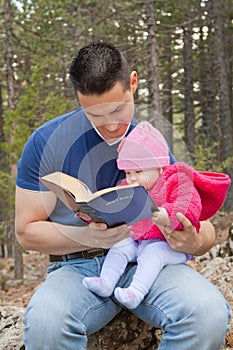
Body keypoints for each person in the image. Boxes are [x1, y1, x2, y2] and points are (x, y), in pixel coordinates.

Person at [15, 41, 231, 350]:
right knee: (47, 325)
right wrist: (90, 237)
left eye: (118, 109)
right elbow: (26, 232)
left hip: (147, 261)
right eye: (95, 115)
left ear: (133, 82)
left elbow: (201, 225)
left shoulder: (150, 142)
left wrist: (192, 241)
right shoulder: (45, 142)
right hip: (77, 269)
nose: (112, 125)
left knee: (207, 313)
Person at [82, 121, 231, 309]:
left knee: (152, 254)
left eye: (138, 172)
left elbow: (190, 207)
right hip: (139, 240)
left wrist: (166, 215)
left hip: (168, 246)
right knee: (121, 246)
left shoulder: (176, 179)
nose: (132, 178)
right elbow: (116, 206)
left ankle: (135, 292)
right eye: (128, 172)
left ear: (159, 168)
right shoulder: (130, 186)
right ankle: (106, 281)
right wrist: (96, 212)